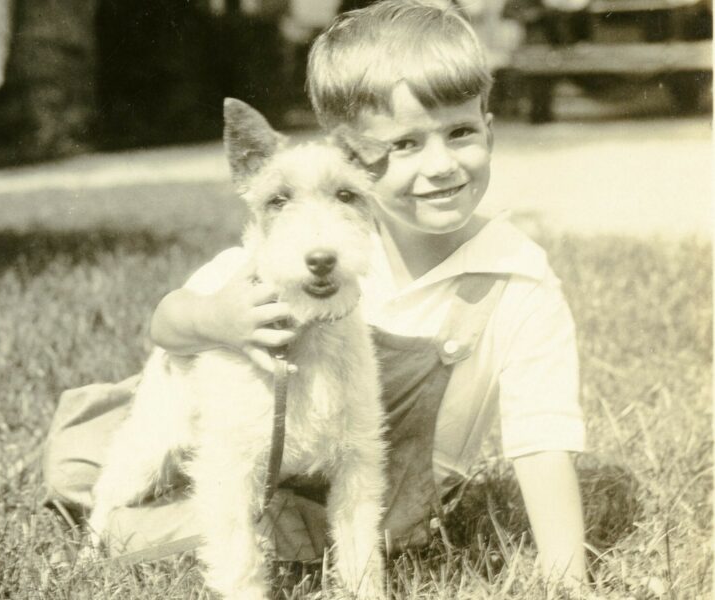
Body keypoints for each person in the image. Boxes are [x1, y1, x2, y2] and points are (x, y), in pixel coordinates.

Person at [42, 0, 587, 590]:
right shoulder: (290, 260)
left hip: (388, 502)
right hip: (240, 447)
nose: (439, 166)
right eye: (404, 144)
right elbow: (169, 323)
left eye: (459, 132)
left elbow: (544, 439)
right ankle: (104, 519)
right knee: (139, 472)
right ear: (358, 151)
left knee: (278, 524)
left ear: (488, 125)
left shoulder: (519, 277)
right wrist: (217, 319)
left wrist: (567, 580)